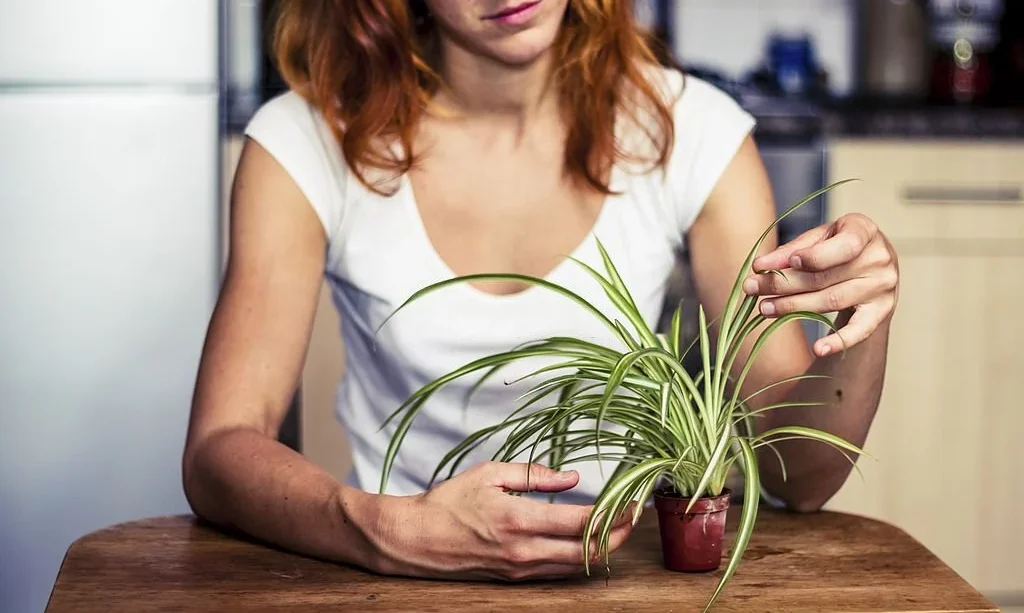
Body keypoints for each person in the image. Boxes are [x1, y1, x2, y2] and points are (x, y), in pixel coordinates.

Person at [181, 0, 899, 582]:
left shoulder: (692, 130)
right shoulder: (304, 140)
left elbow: (802, 478)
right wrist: (391, 530)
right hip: (391, 585)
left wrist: (860, 327)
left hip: (616, 581)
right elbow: (218, 448)